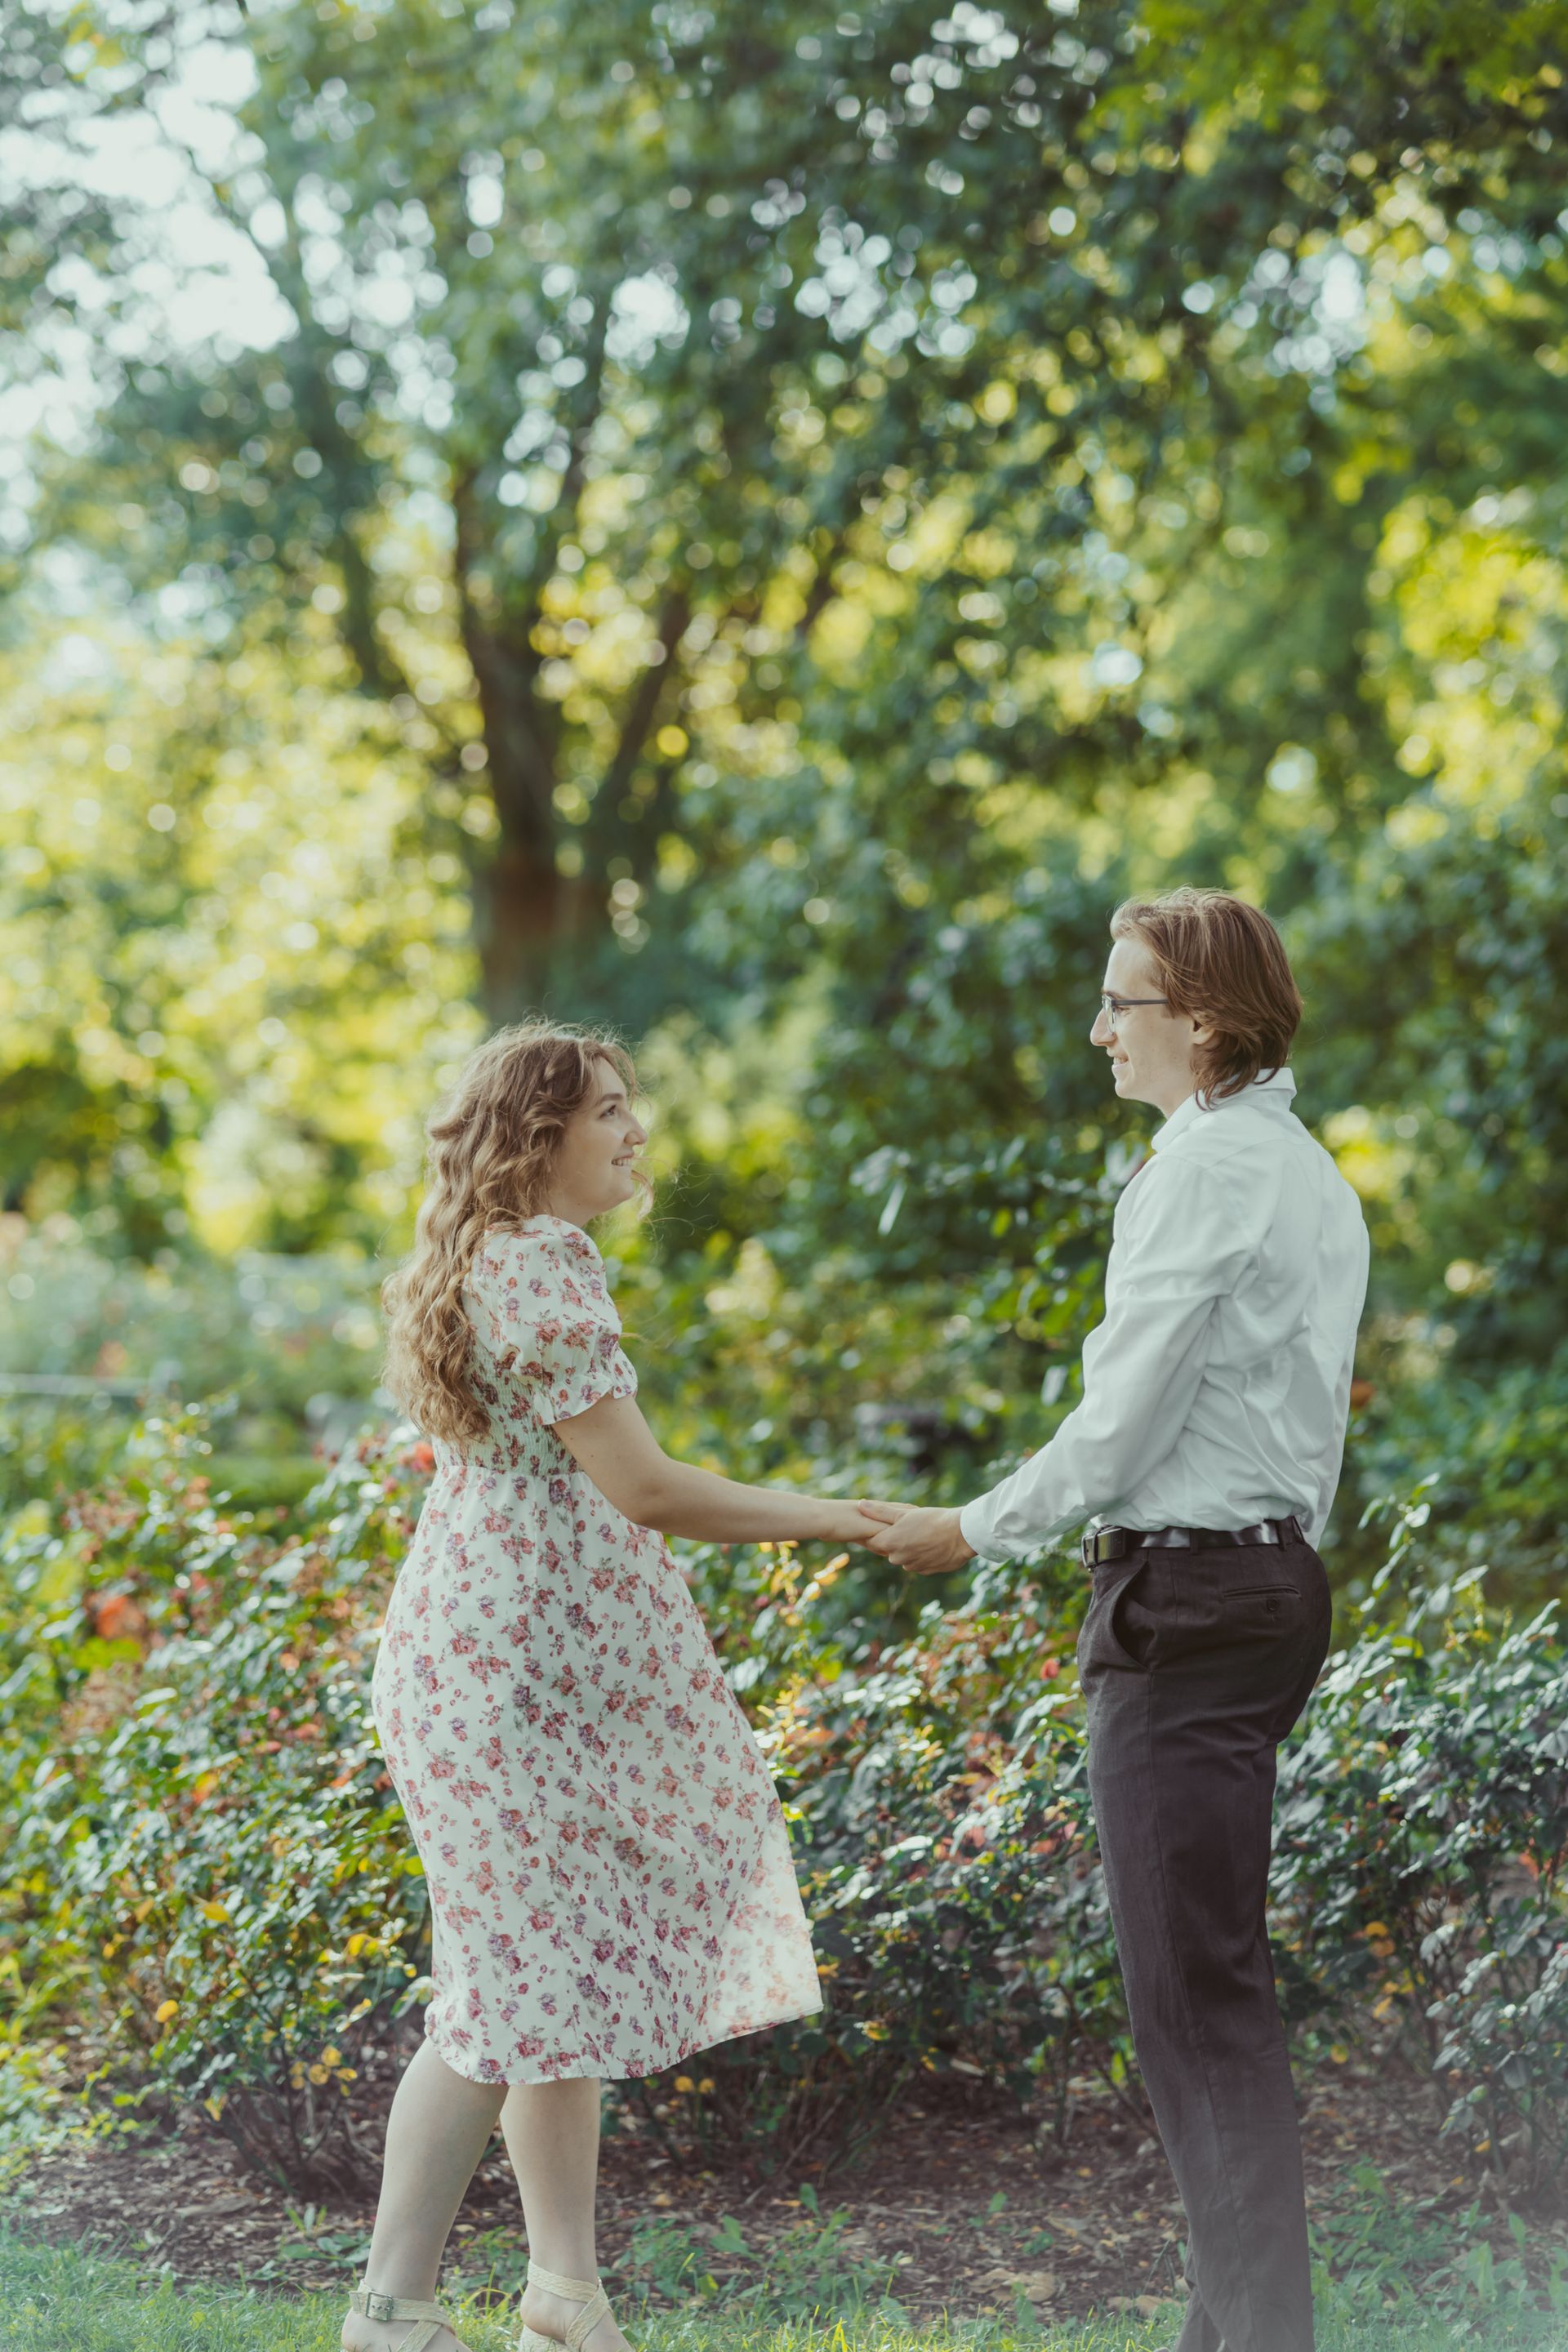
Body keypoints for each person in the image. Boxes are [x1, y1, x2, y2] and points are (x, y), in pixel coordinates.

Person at [862, 888, 1369, 2352]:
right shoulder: (1307, 1173)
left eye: (1120, 1002)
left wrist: (969, 1528)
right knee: (1209, 1997)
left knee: (1195, 2015)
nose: (1099, 1030)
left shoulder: (1207, 1171)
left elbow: (1123, 1423)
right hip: (1262, 1591)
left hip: (1191, 1604)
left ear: (1199, 1022)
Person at [345, 1022, 879, 2352]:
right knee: (503, 1993)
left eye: (633, 1106)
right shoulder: (538, 1265)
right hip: (505, 1683)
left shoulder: (500, 1256)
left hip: (518, 1670)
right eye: (609, 1110)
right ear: (539, 1138)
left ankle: (564, 2297)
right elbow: (643, 1489)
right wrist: (842, 1517)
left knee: (550, 1983)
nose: (636, 1130)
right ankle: (390, 2311)